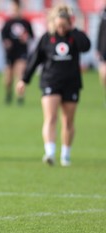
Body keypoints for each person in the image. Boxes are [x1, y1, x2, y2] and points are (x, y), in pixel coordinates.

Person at [16, 4, 90, 166]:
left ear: (69, 23)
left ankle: (66, 154)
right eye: (59, 26)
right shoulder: (47, 38)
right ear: (53, 23)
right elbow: (35, 60)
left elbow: (86, 46)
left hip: (71, 83)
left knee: (68, 121)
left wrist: (74, 29)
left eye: (65, 26)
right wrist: (24, 80)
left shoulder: (74, 36)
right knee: (50, 117)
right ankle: (49, 153)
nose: (62, 29)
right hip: (51, 81)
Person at [1, 0, 34, 105]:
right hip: (10, 53)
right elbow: (3, 37)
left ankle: (20, 97)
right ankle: (9, 93)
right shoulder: (8, 23)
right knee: (8, 78)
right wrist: (6, 43)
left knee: (20, 74)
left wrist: (26, 38)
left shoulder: (26, 22)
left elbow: (31, 36)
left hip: (21, 52)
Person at [96, 0, 106, 106]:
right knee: (103, 74)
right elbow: (100, 31)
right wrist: (98, 48)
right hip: (104, 50)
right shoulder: (103, 13)